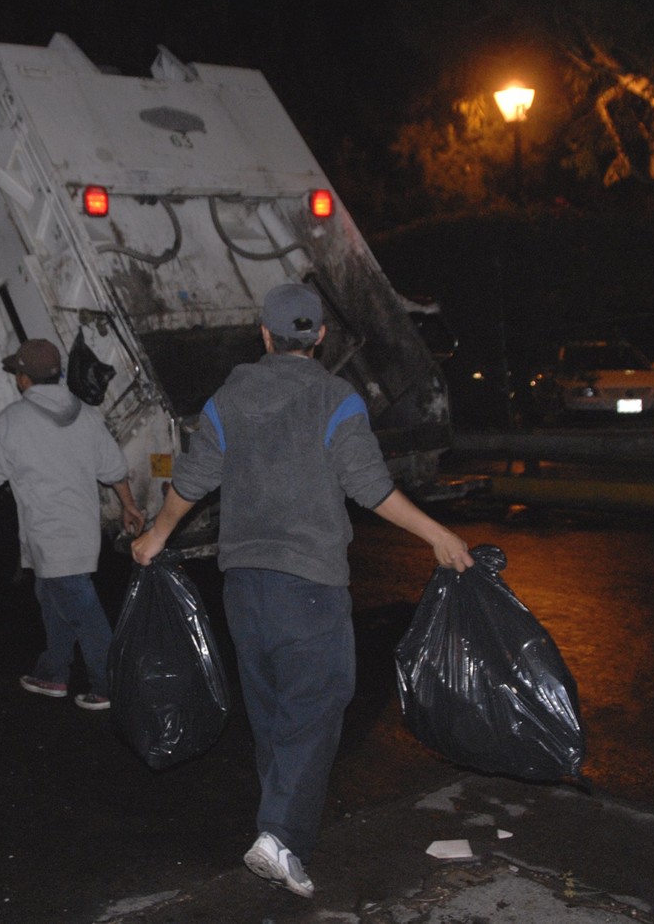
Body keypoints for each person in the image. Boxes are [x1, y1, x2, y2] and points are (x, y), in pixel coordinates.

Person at [131, 283, 473, 898]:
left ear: (264, 335)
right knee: (318, 702)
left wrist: (156, 536)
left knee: (272, 711)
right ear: (319, 336)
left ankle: (280, 835)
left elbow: (192, 480)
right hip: (308, 586)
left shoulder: (226, 399)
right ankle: (280, 835)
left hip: (243, 586)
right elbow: (370, 487)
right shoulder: (335, 399)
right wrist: (438, 534)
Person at [0, 338, 144, 711]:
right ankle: (52, 672)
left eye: (17, 373)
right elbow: (113, 469)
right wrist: (128, 506)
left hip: (49, 535)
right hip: (80, 531)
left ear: (25, 380)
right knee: (50, 595)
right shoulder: (86, 414)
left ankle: (110, 684)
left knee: (81, 608)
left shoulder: (13, 421)